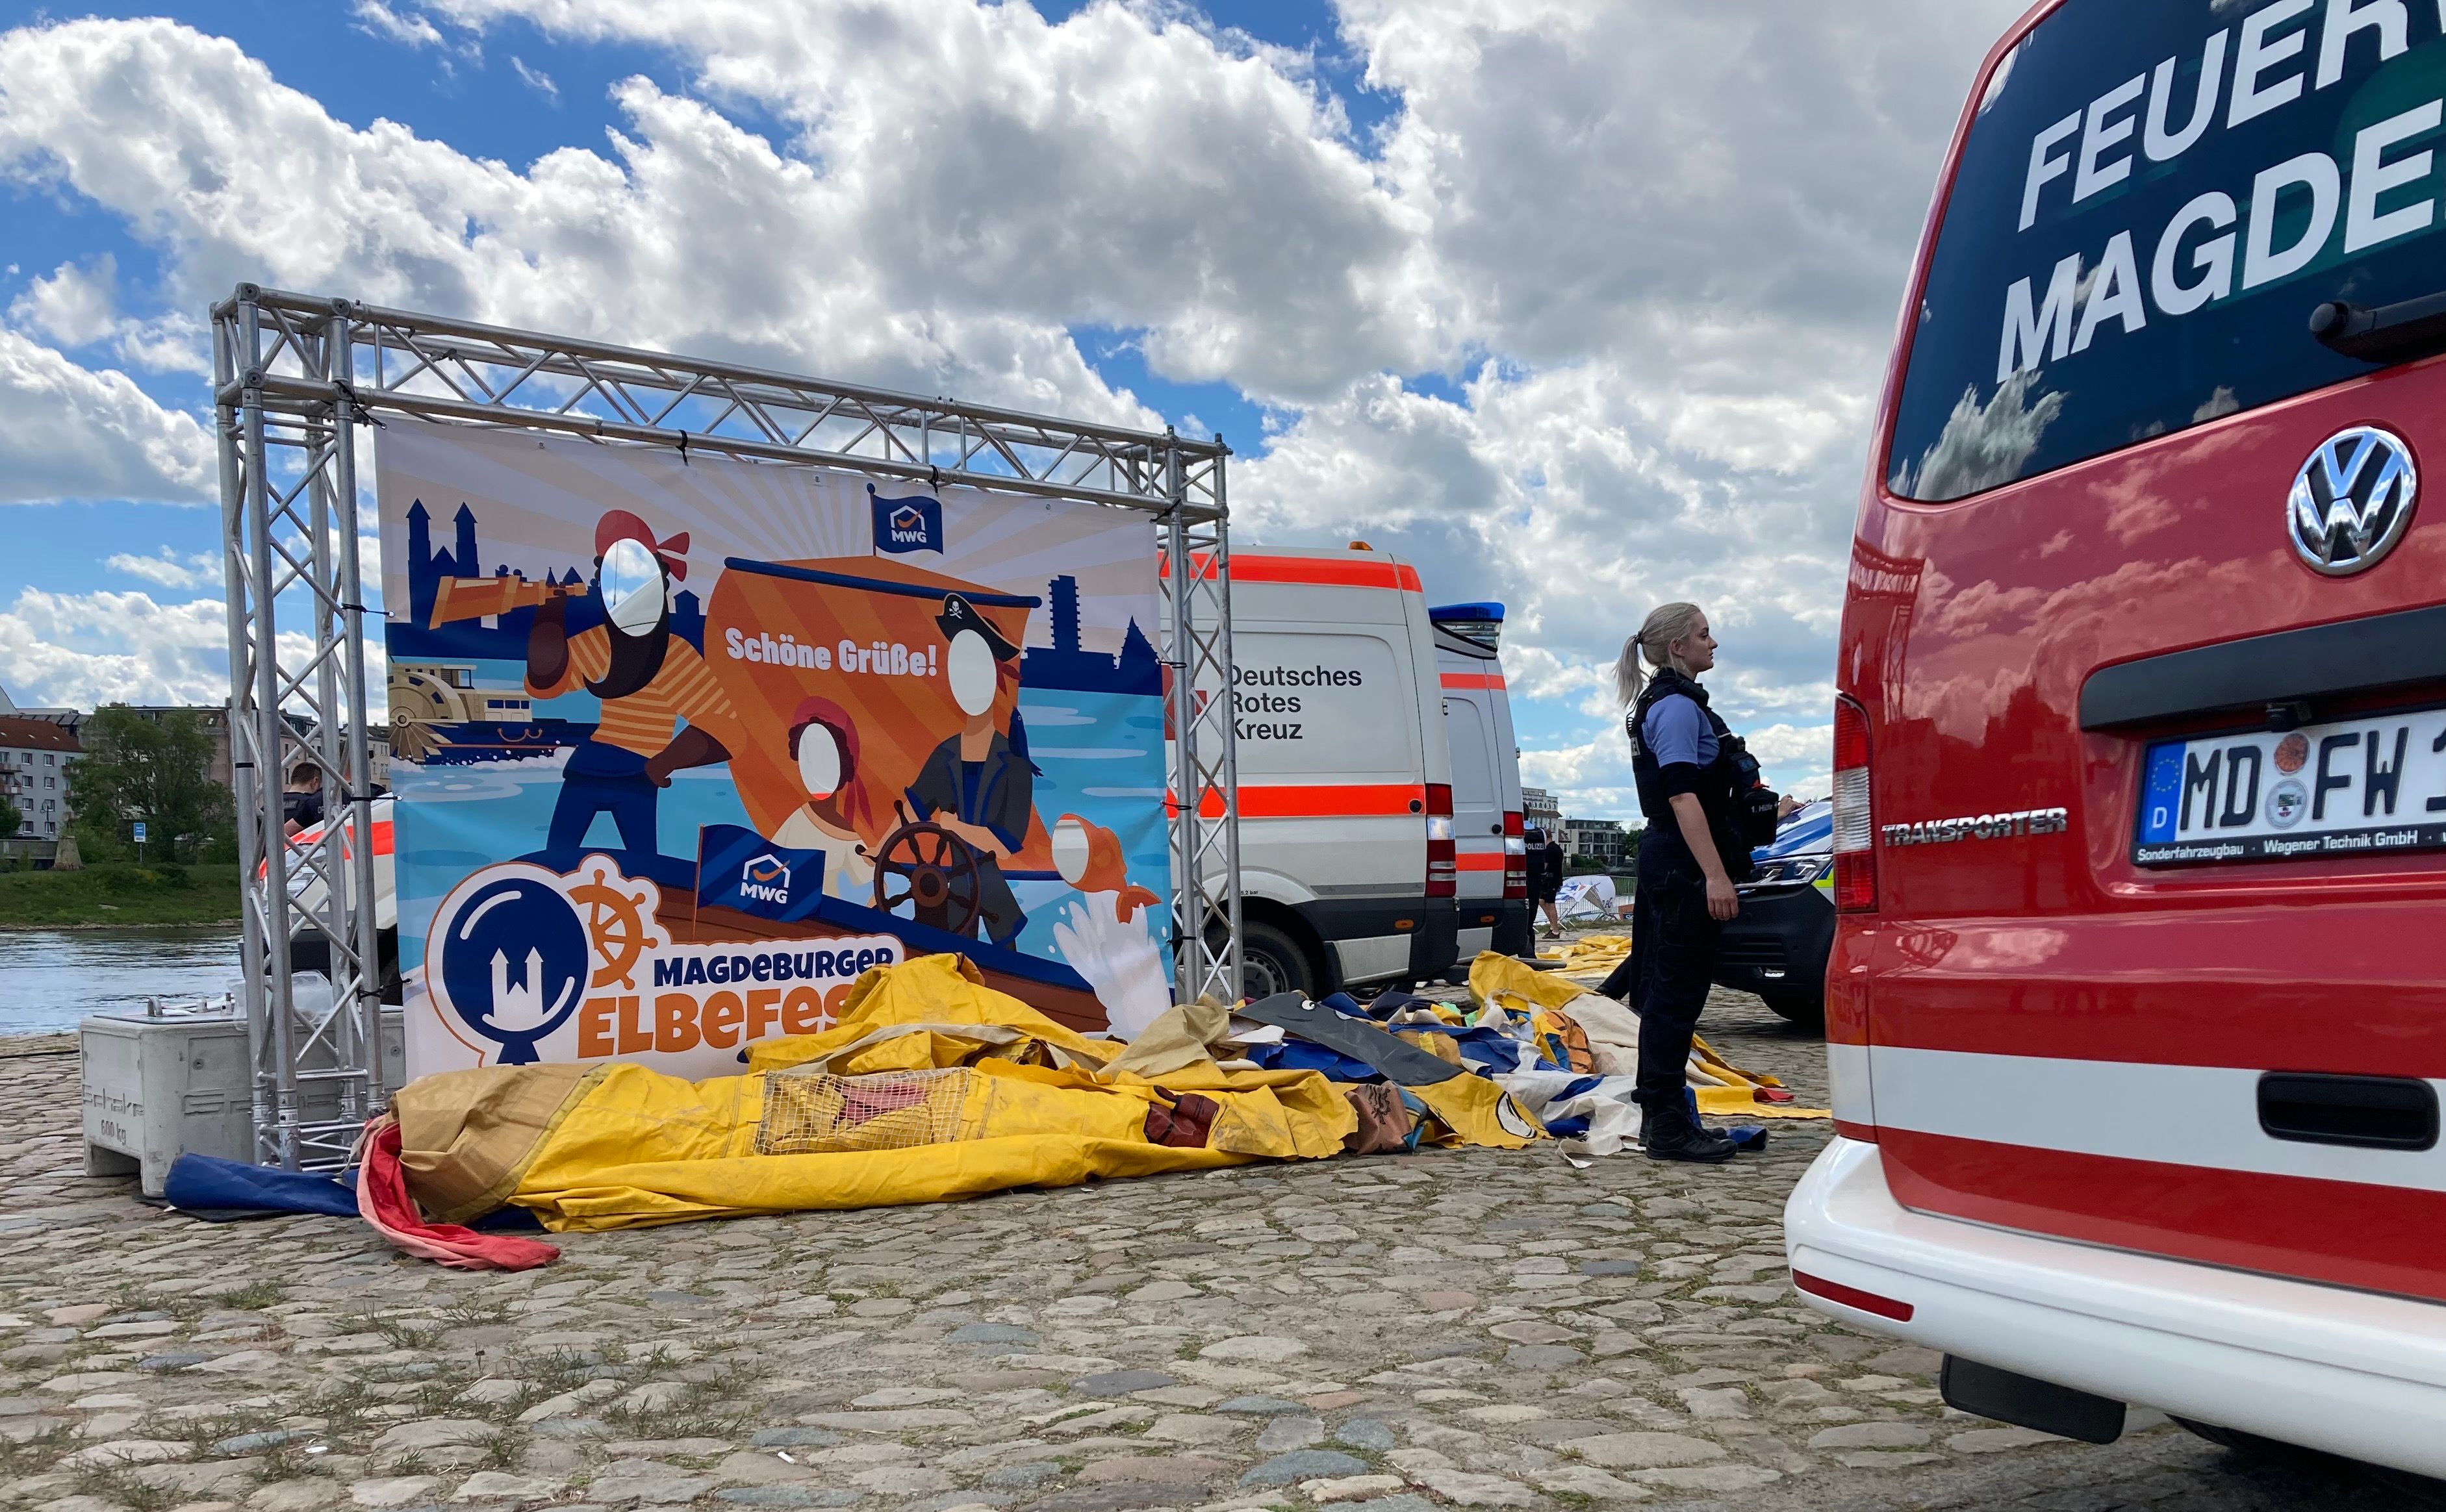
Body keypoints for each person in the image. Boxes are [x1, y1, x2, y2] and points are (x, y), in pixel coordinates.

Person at [1605, 601, 1772, 1164]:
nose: (1713, 643)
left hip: (1670, 859)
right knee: (1674, 998)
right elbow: (1680, 794)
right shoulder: (1675, 707)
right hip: (1682, 864)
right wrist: (1715, 875)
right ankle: (1668, 1127)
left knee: (1662, 993)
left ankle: (1664, 1115)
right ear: (1677, 647)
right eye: (1704, 635)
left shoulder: (1665, 702)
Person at [527, 511, 737, 870]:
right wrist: (550, 616)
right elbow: (546, 685)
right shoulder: (602, 644)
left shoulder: (674, 656)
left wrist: (664, 763)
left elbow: (726, 727)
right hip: (590, 768)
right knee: (555, 863)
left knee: (645, 873)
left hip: (639, 773)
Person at [905, 593, 1038, 946]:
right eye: (958, 664)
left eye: (975, 663)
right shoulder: (945, 754)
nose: (965, 677)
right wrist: (878, 855)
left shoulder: (1014, 763)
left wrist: (955, 827)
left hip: (992, 899)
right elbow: (912, 809)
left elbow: (1006, 846)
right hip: (948, 894)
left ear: (996, 677)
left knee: (1006, 977)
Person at [1526, 827, 1565, 938]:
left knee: (1550, 904)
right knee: (1541, 901)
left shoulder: (1549, 849)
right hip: (1555, 879)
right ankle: (1553, 925)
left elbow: (1544, 866)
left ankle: (1555, 930)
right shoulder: (1557, 848)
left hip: (1551, 879)